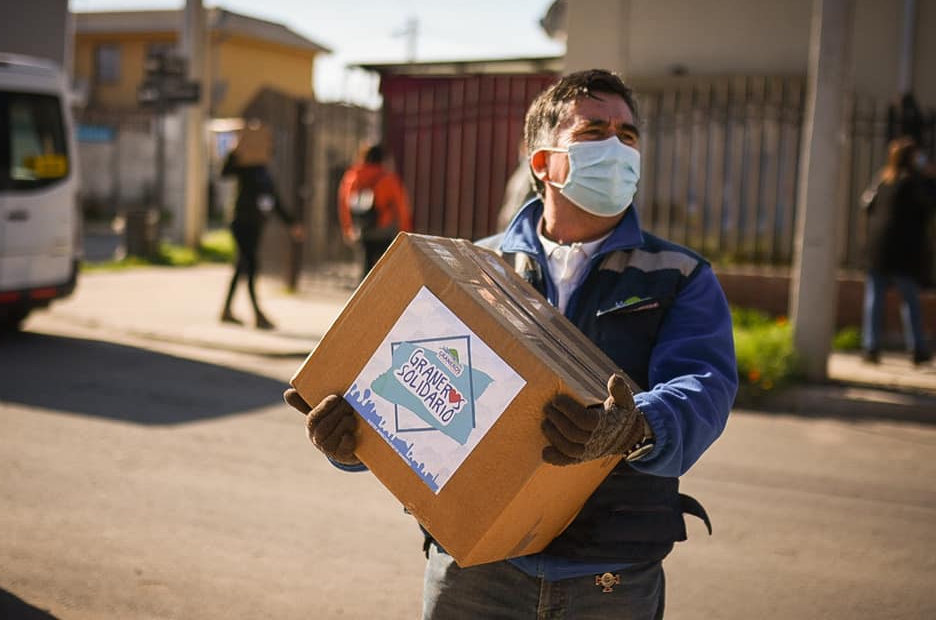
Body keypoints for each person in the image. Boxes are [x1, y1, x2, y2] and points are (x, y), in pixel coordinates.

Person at [285, 69, 738, 619]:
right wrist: (352, 442)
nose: (618, 146)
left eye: (628, 135)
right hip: (475, 572)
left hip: (609, 575)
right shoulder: (475, 269)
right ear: (543, 163)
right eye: (595, 131)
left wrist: (638, 425)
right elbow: (416, 393)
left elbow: (704, 387)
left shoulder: (678, 275)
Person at [220, 123, 303, 330]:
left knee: (242, 267)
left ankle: (226, 311)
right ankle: (258, 314)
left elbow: (274, 201)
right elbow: (224, 172)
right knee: (251, 266)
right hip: (241, 223)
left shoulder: (264, 172)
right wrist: (236, 149)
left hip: (256, 225)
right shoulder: (243, 167)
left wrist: (292, 223)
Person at [861, 136, 935, 365]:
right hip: (903, 250)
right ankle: (918, 348)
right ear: (912, 158)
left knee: (875, 299)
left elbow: (866, 204)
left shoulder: (883, 180)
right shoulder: (916, 183)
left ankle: (871, 347)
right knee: (909, 299)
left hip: (878, 248)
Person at [337, 143, 413, 279]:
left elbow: (344, 204)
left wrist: (347, 228)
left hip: (363, 229)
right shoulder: (389, 179)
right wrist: (405, 230)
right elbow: (402, 206)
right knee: (385, 269)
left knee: (366, 267)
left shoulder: (352, 177)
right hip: (384, 230)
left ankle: (364, 296)